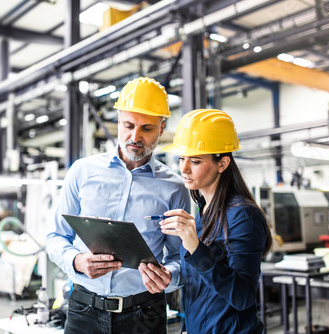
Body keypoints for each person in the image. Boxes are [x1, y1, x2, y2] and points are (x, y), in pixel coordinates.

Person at [46, 77, 191, 334]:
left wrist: (169, 276)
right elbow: (55, 236)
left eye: (146, 128)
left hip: (144, 314)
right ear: (118, 121)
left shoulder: (174, 187)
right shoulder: (82, 172)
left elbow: (180, 258)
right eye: (128, 125)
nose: (135, 136)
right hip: (84, 310)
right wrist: (77, 261)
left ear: (161, 128)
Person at [160, 109, 272, 334]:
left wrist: (195, 247)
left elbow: (242, 297)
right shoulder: (203, 213)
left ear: (222, 164)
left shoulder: (243, 216)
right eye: (182, 158)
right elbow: (201, 288)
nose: (184, 168)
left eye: (196, 160)